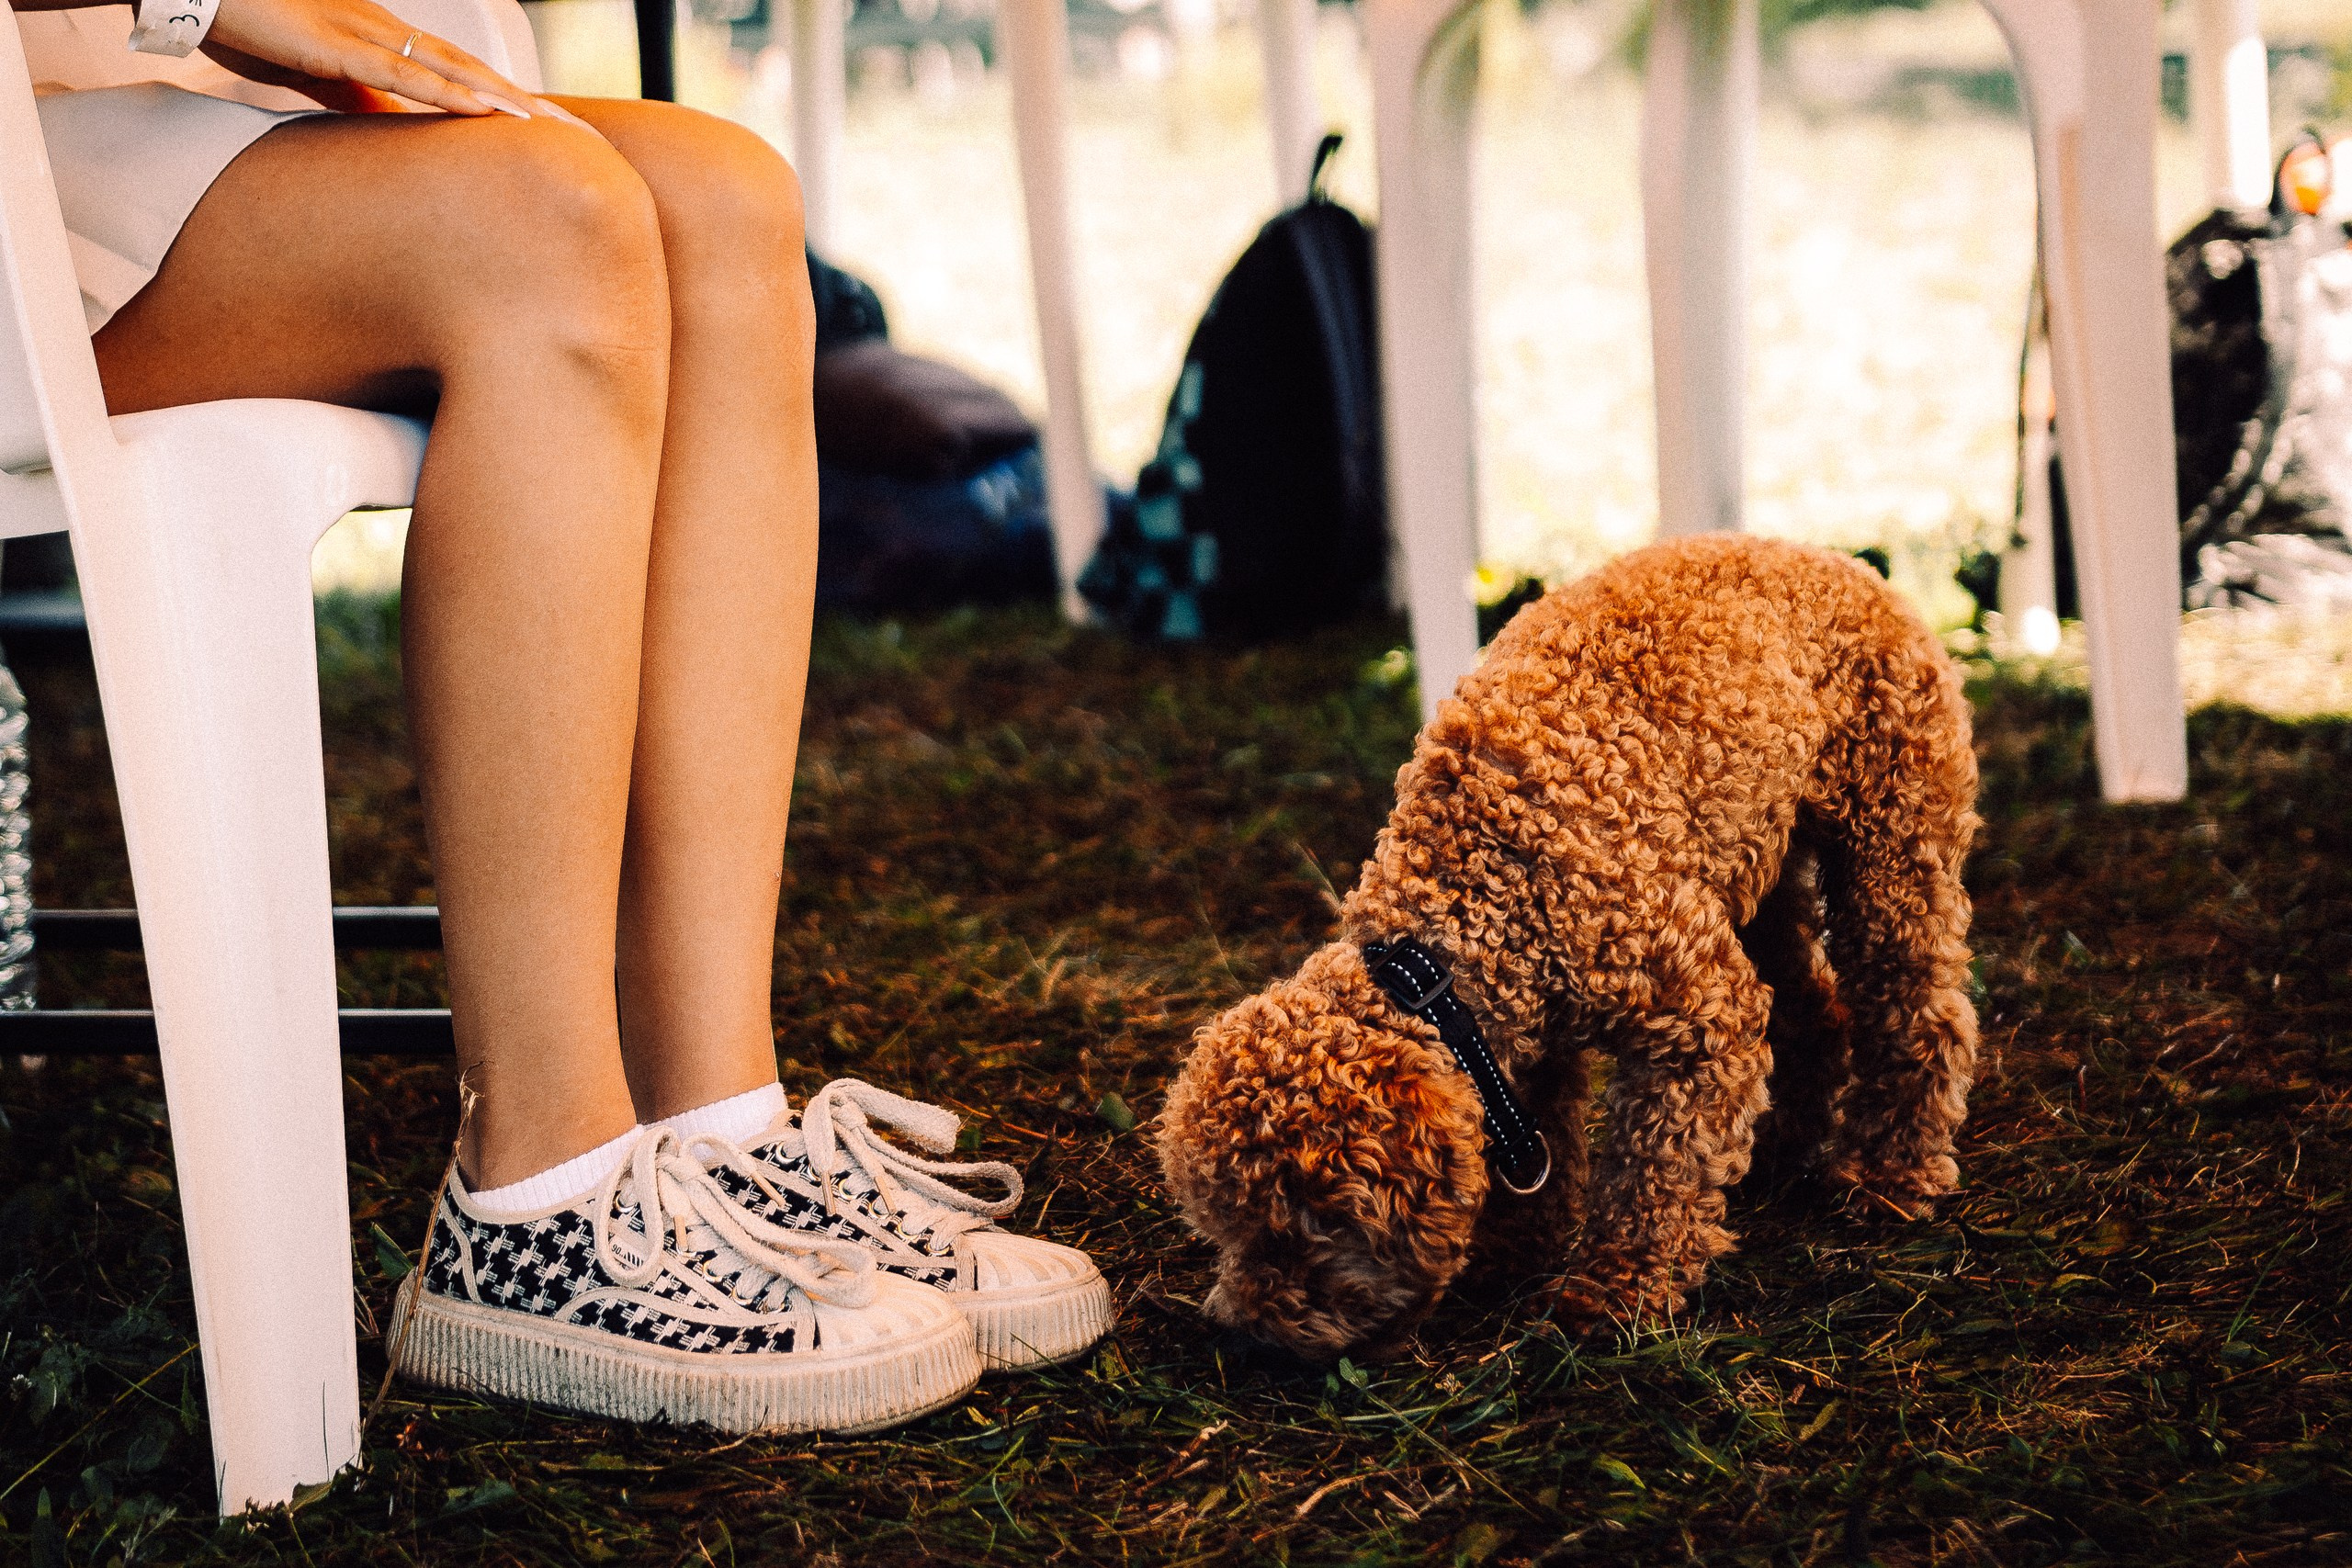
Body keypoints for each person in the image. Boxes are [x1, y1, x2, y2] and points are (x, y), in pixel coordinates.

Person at [12, 0, 1107, 1432]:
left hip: (192, 108)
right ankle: (535, 1189)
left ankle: (716, 1129)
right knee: (550, 224)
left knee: (722, 196)